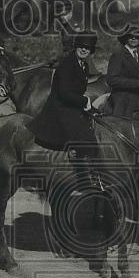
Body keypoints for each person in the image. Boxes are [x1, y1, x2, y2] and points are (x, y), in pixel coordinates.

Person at [27, 32, 101, 193]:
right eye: (81, 46)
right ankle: (80, 179)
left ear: (91, 51)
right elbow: (64, 94)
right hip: (59, 109)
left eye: (87, 48)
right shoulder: (67, 65)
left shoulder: (84, 65)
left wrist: (88, 106)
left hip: (73, 106)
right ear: (76, 47)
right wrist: (85, 101)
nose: (84, 50)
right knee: (86, 139)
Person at [106, 25, 139, 118]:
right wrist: (138, 84)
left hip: (137, 94)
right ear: (126, 38)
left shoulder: (138, 55)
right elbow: (111, 79)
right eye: (131, 36)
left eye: (137, 37)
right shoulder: (118, 54)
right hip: (122, 95)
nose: (134, 38)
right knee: (121, 122)